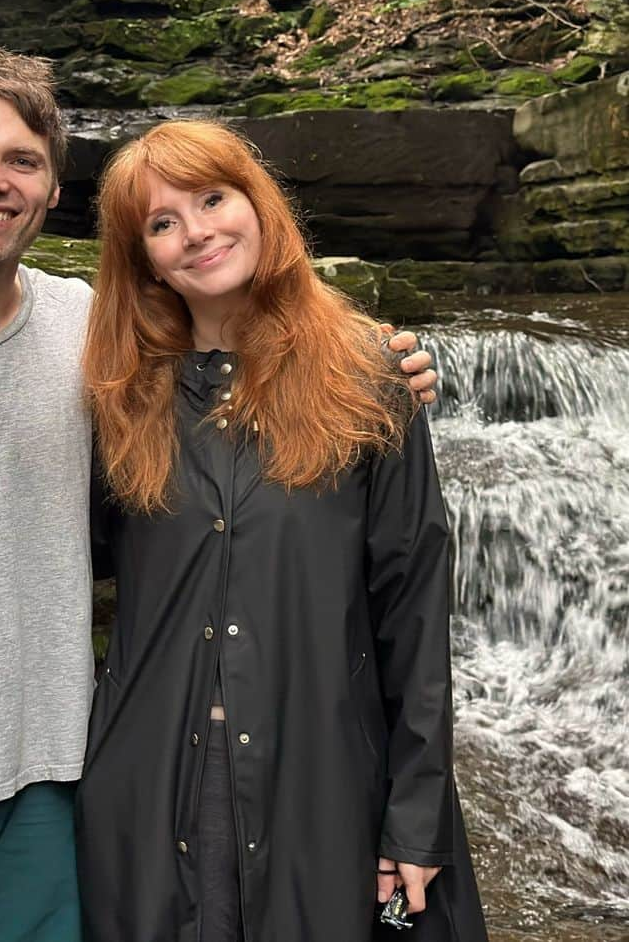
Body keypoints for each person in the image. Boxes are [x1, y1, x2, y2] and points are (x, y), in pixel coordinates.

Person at [0, 50, 439, 941]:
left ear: (50, 185)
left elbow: (244, 314)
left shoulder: (93, 334)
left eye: (21, 162)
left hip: (49, 781)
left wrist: (377, 354)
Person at [77, 119, 486, 942]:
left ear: (258, 205)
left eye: (213, 199)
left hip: (324, 781)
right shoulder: (116, 400)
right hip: (152, 792)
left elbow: (413, 608)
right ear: (141, 259)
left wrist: (416, 811)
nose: (197, 232)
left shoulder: (369, 378)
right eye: (162, 223)